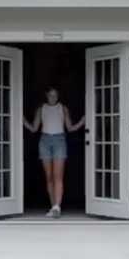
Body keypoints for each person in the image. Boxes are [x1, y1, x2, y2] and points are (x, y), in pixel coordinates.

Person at [24, 85, 85, 217]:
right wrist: (21, 120)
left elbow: (70, 128)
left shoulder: (63, 108)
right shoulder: (41, 109)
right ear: (46, 95)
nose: (53, 97)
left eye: (55, 95)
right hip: (44, 140)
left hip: (59, 140)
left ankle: (57, 207)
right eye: (51, 95)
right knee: (49, 177)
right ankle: (54, 207)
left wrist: (82, 121)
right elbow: (34, 129)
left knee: (58, 176)